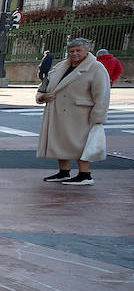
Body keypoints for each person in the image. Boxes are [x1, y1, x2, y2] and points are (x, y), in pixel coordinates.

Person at [37, 38, 111, 186]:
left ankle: (85, 174)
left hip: (81, 114)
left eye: (78, 50)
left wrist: (98, 117)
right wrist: (42, 96)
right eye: (72, 51)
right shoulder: (61, 66)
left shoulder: (96, 68)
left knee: (81, 144)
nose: (75, 53)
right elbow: (45, 85)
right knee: (61, 142)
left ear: (87, 50)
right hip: (58, 111)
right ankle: (63, 172)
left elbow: (102, 94)